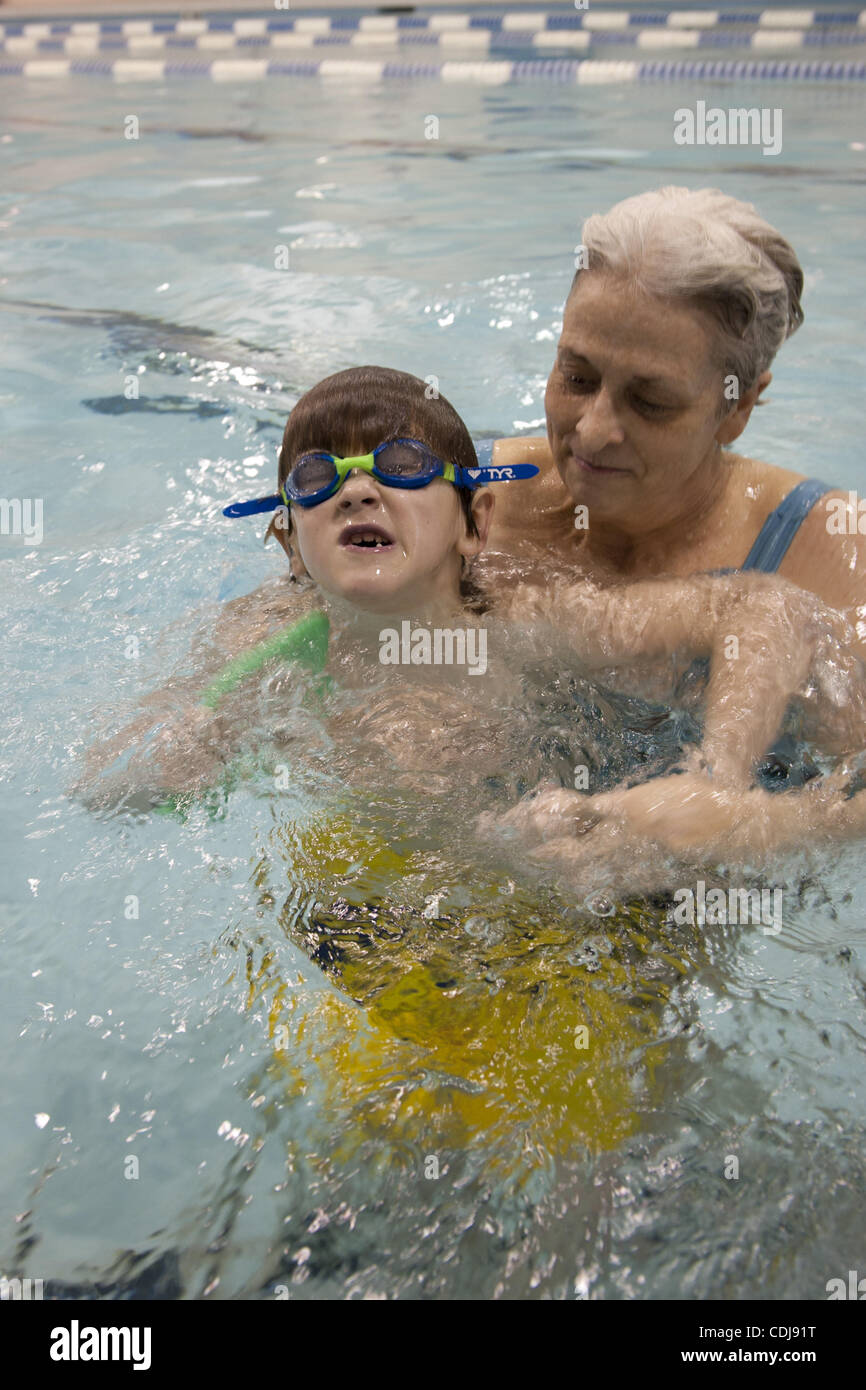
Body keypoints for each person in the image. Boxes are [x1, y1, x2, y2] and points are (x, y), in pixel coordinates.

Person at [81, 367, 864, 880]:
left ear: (475, 524)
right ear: (289, 543)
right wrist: (178, 754)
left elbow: (765, 605)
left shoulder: (526, 618)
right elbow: (101, 791)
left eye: (403, 468)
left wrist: (717, 781)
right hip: (373, 890)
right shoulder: (257, 644)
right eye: (319, 479)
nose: (357, 494)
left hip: (560, 877)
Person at [483, 186, 865, 657]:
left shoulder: (834, 554)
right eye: (577, 377)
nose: (592, 432)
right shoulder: (464, 492)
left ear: (739, 407)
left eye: (650, 402)